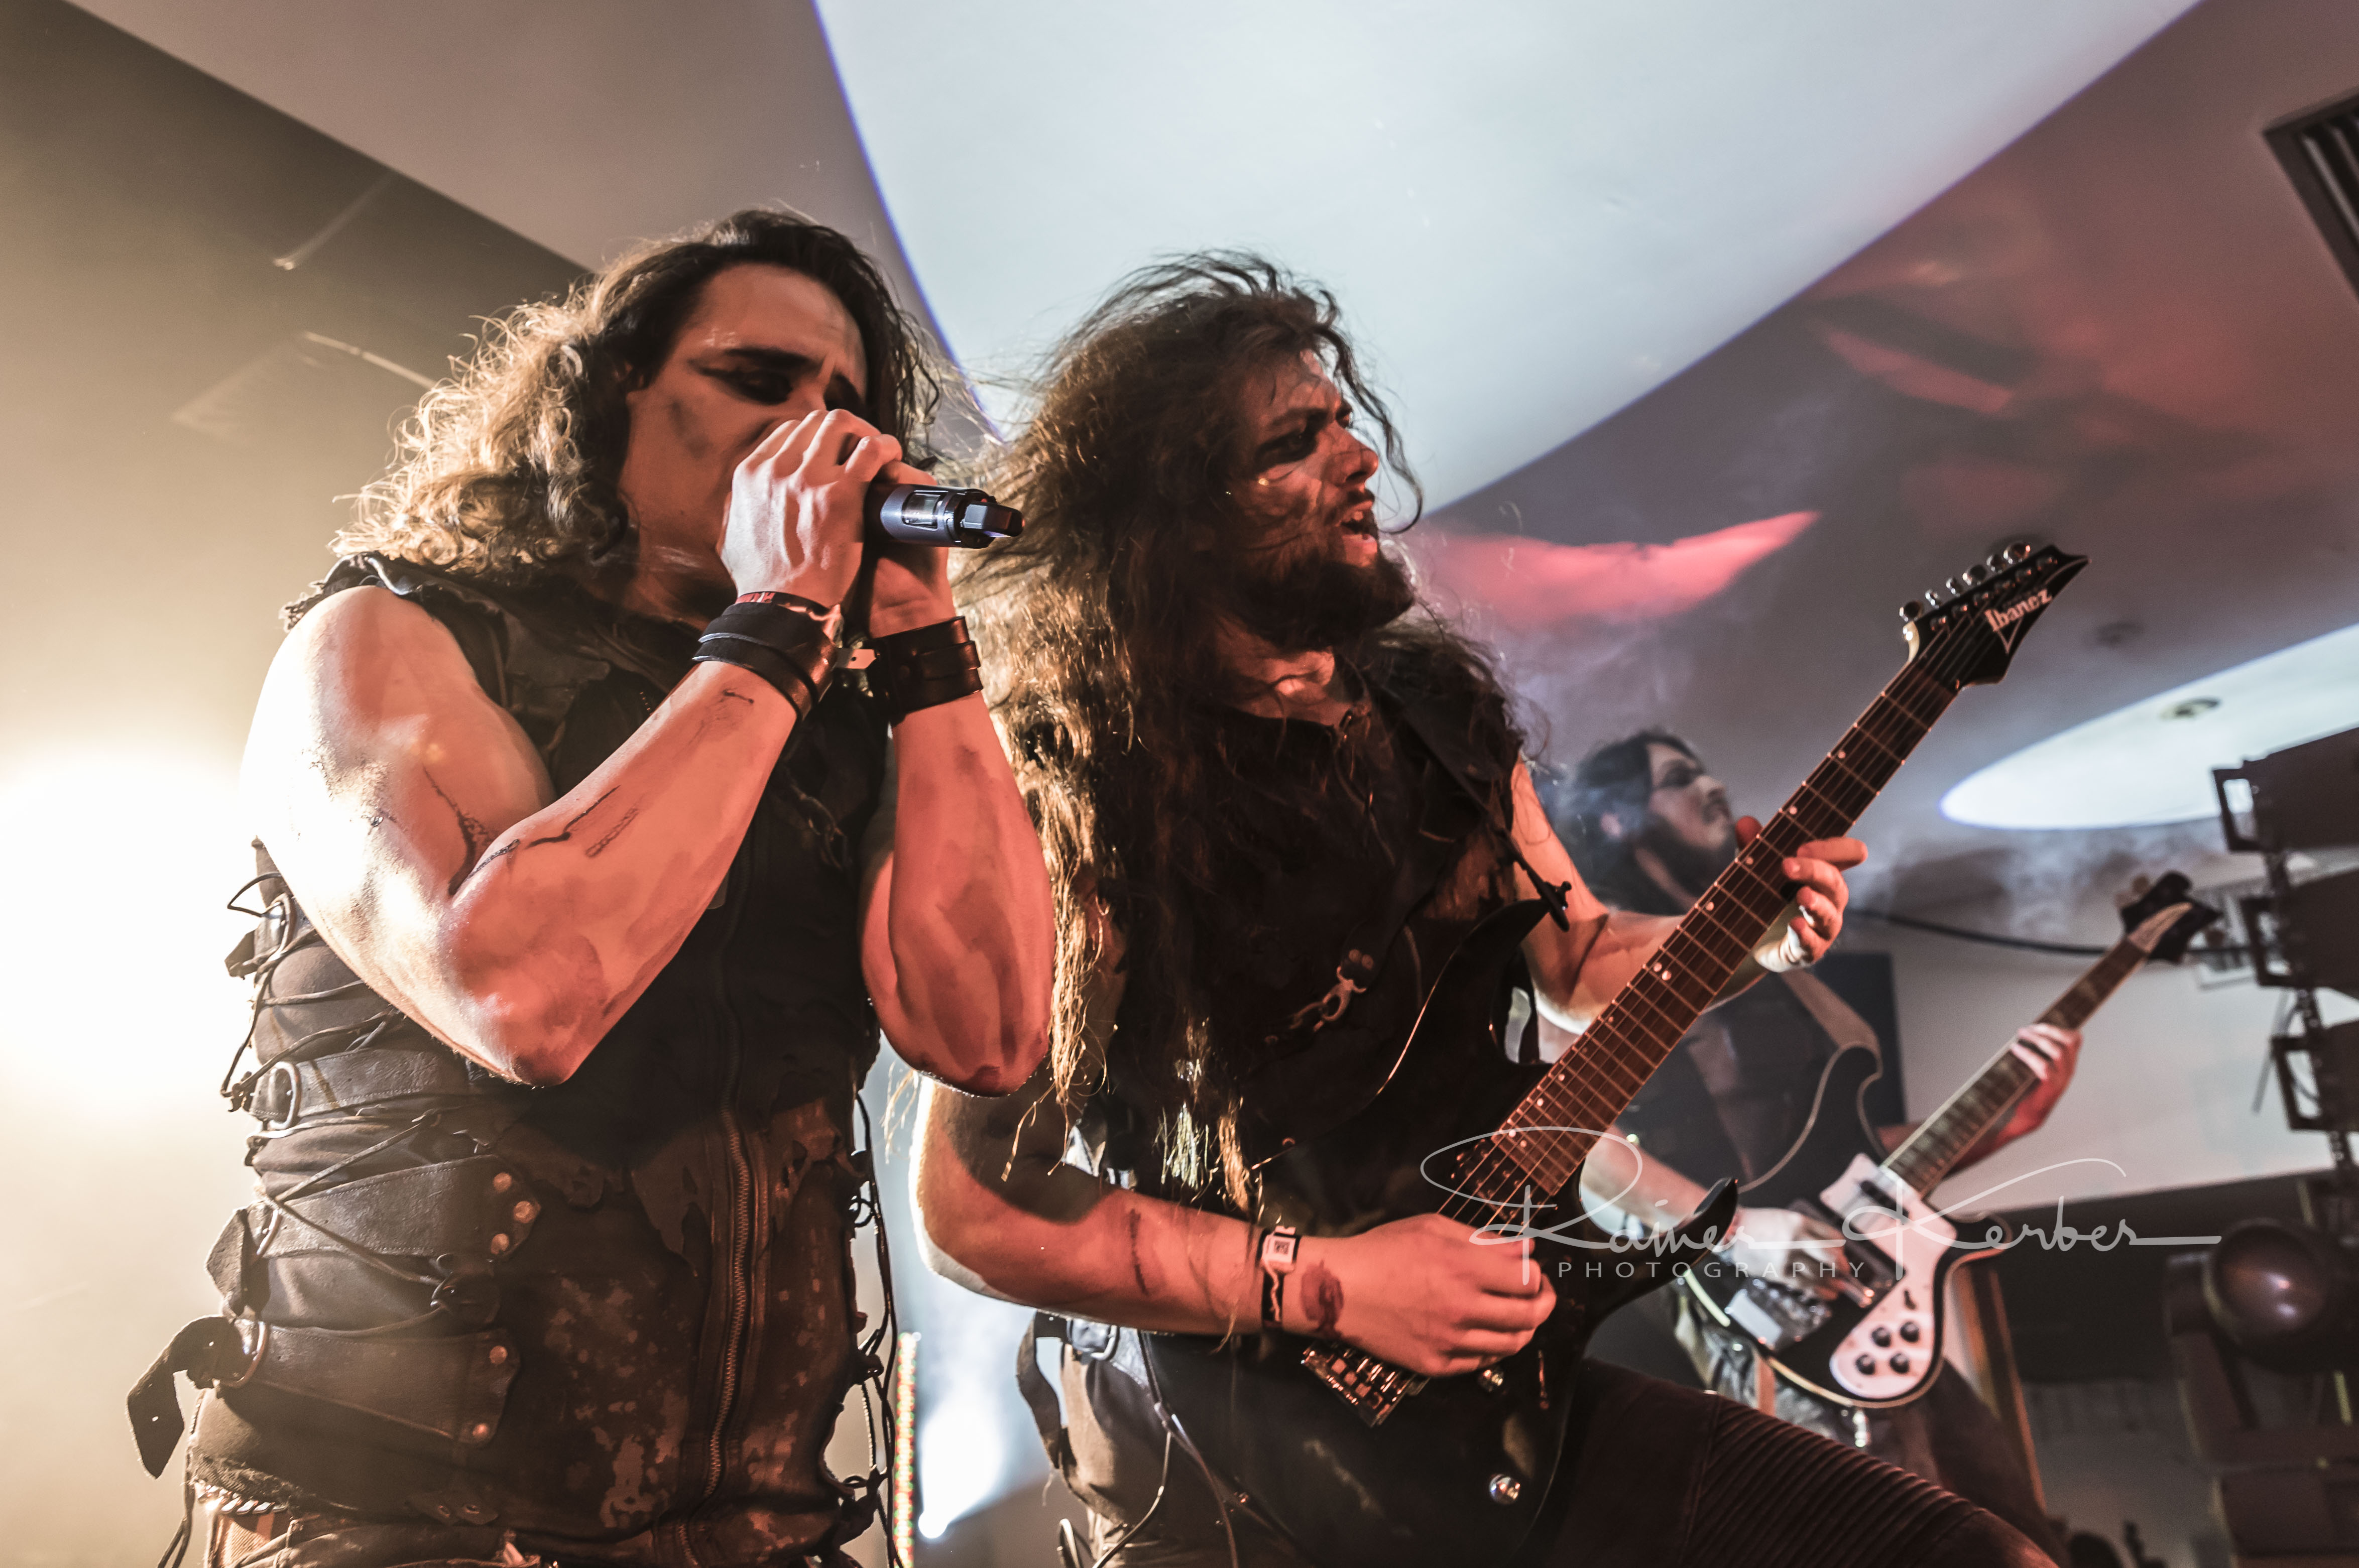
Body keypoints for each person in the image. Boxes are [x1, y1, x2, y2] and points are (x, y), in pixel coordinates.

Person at [914, 255, 2047, 1565]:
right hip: (1236, 1453)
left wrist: (1750, 934)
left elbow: (1581, 960)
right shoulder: (1095, 793)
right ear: (1181, 516)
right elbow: (973, 1208)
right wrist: (1331, 1283)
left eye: (1344, 423)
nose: (1358, 461)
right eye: (1294, 442)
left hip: (1493, 1398)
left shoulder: (1434, 714)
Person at [128, 209, 1054, 1568]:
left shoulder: (830, 721)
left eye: (846, 409)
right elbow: (524, 996)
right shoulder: (395, 637)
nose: (816, 436)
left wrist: (922, 645)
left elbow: (992, 1035)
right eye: (758, 381)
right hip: (398, 1525)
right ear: (612, 391)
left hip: (749, 1534)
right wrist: (782, 619)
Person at [1555, 730, 2080, 1561]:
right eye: (1680, 777)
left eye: (1707, 767)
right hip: (1760, 1328)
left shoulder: (1774, 959)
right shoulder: (1593, 968)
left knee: (2017, 1539)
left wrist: (2004, 1124)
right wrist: (1736, 1232)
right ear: (1617, 819)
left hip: (1868, 1297)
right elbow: (1567, 1139)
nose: (1714, 785)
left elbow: (1858, 1161)